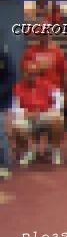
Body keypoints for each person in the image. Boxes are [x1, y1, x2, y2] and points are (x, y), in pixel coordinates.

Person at [21, 33, 67, 165]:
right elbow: (25, 70)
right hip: (33, 91)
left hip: (52, 91)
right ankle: (33, 149)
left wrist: (65, 91)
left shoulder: (57, 52)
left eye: (46, 34)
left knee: (56, 120)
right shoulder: (30, 52)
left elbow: (63, 72)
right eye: (41, 35)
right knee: (30, 119)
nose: (44, 37)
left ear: (50, 35)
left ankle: (52, 148)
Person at [12, 63, 64, 167]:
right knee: (16, 126)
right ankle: (29, 152)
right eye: (29, 74)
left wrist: (51, 110)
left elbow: (59, 99)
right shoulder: (17, 87)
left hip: (45, 114)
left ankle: (55, 150)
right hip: (28, 116)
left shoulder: (47, 85)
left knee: (58, 119)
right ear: (24, 74)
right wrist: (26, 113)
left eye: (34, 74)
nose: (32, 76)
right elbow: (14, 107)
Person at [0, 45, 15, 179]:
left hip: (1, 102)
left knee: (1, 134)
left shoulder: (3, 56)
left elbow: (10, 78)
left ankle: (4, 165)